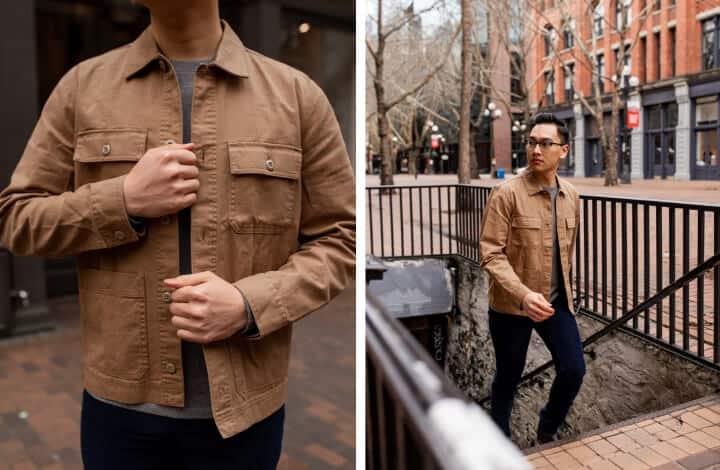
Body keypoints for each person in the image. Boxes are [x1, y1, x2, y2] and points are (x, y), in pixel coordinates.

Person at [0, 1, 355, 468]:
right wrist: (123, 199)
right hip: (119, 414)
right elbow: (17, 219)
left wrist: (250, 305)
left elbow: (341, 239)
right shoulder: (82, 89)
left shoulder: (296, 96)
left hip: (245, 415)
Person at [479, 113, 585, 444]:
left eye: (545, 143)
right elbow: (490, 253)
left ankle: (547, 428)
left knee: (573, 369)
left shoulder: (572, 196)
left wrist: (569, 291)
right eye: (532, 142)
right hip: (512, 306)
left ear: (563, 150)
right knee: (508, 377)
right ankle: (499, 443)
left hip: (556, 303)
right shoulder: (507, 193)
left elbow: (567, 251)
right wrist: (523, 295)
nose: (536, 149)